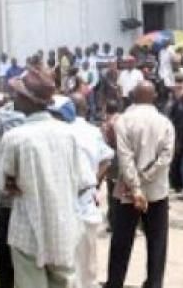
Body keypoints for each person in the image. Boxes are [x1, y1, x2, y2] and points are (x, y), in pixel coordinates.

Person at [0, 69, 94, 288]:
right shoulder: (69, 134)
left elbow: (1, 184)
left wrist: (17, 185)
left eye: (17, 94)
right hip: (64, 227)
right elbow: (85, 182)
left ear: (27, 99)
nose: (14, 99)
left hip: (27, 229)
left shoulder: (14, 138)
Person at [106, 81, 175, 288]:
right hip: (156, 190)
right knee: (157, 241)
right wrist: (147, 177)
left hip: (128, 191)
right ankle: (154, 282)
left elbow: (124, 157)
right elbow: (166, 157)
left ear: (133, 97)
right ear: (154, 97)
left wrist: (135, 185)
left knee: (121, 240)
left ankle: (115, 282)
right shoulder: (165, 123)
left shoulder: (123, 121)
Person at [68, 93, 114, 288]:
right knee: (88, 256)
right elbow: (107, 159)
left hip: (66, 199)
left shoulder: (61, 130)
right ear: (86, 109)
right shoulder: (93, 131)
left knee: (69, 257)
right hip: (87, 198)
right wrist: (95, 181)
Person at [0, 92, 26, 288]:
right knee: (19, 240)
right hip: (20, 192)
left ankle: (8, 281)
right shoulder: (26, 119)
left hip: (4, 190)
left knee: (5, 237)